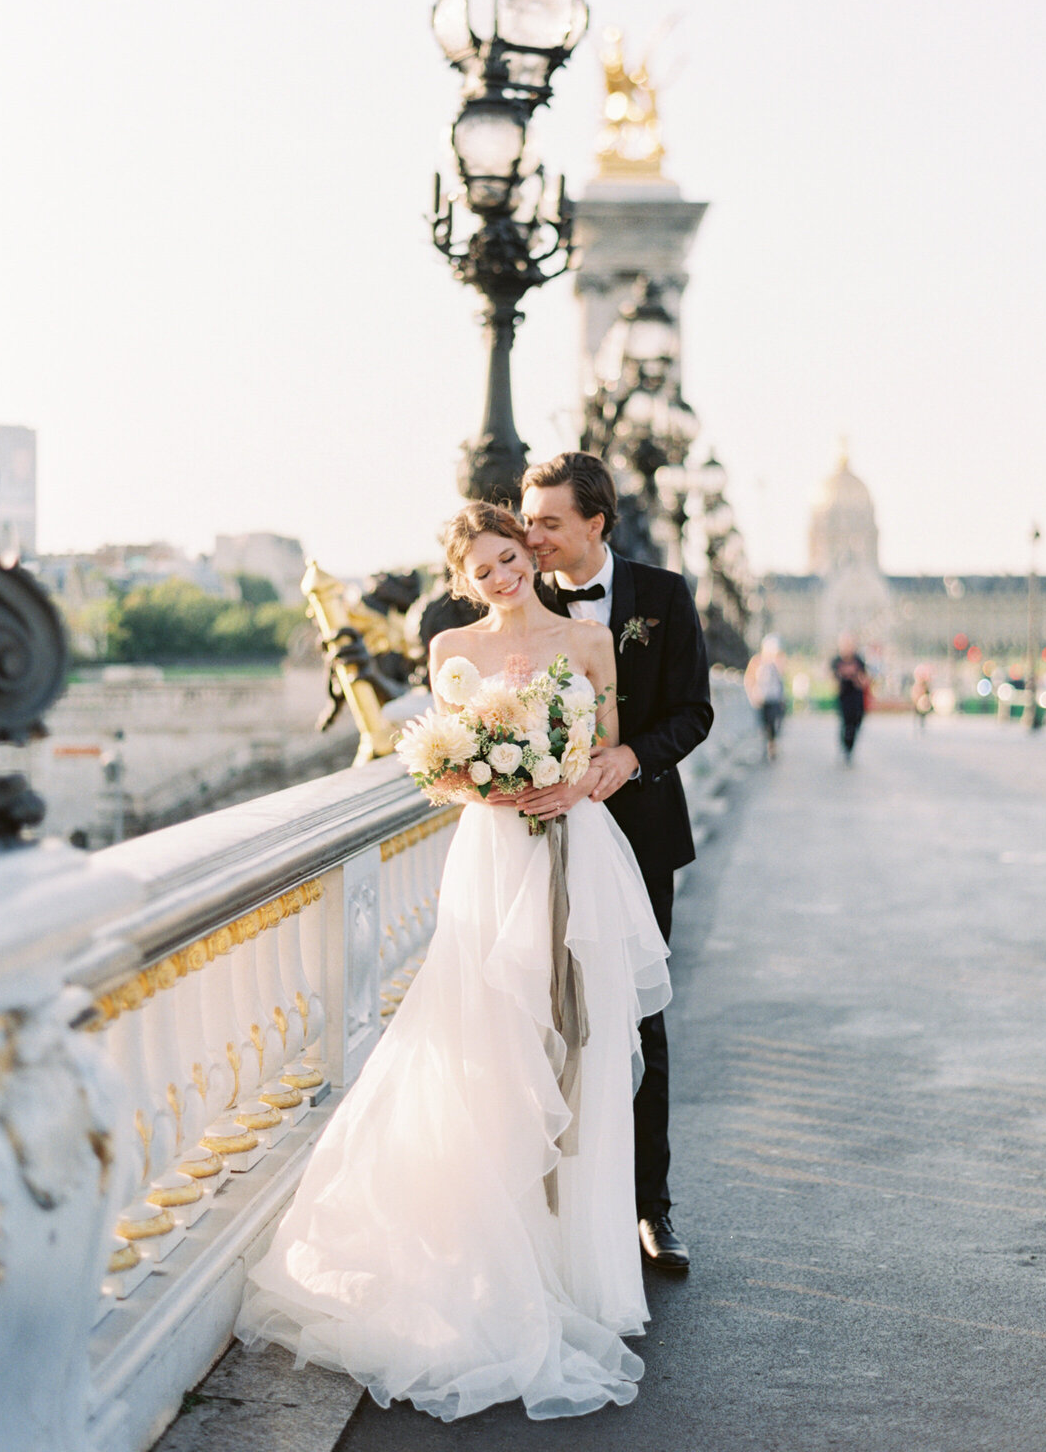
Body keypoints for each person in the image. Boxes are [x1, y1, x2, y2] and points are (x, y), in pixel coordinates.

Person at [236, 502, 672, 1420]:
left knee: (581, 1046)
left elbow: (601, 748)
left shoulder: (587, 644)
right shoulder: (449, 653)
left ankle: (578, 1272)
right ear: (462, 579)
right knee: (488, 1041)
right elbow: (437, 769)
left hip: (575, 849)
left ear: (527, 553)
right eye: (481, 569)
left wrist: (567, 777)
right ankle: (496, 1255)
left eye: (509, 557)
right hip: (492, 856)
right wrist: (493, 775)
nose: (501, 576)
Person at [519, 452, 713, 1273]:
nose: (530, 538)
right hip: (537, 846)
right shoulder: (513, 596)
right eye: (525, 520)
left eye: (548, 522)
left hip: (638, 837)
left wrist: (632, 756)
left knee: (637, 1021)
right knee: (537, 1019)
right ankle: (548, 1206)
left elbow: (694, 711)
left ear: (596, 523)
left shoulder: (663, 596)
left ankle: (649, 1209)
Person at [744, 635, 787, 759]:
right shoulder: (756, 661)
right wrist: (752, 695)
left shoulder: (777, 661)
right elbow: (749, 679)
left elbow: (782, 678)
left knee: (773, 723)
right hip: (761, 698)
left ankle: (772, 746)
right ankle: (764, 746)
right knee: (763, 724)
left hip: (774, 698)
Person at [832, 634, 870, 763]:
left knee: (856, 722)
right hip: (844, 696)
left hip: (856, 696)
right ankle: (846, 746)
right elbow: (831, 677)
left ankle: (850, 745)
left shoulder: (859, 660)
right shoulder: (837, 661)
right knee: (846, 723)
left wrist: (858, 679)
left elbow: (865, 678)